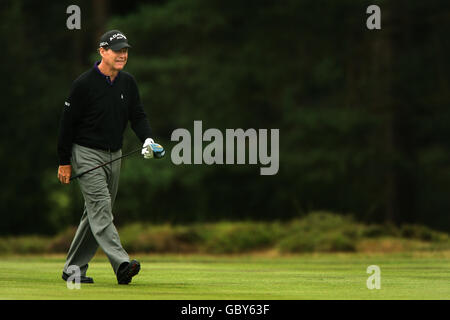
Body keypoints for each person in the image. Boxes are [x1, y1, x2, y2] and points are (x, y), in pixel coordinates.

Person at [57, 30, 155, 285]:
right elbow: (66, 125)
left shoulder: (128, 82)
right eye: (117, 50)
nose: (122, 54)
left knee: (96, 213)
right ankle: (122, 263)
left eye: (125, 51)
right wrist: (64, 161)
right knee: (101, 208)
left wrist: (148, 139)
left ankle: (72, 270)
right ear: (102, 51)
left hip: (115, 154)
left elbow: (138, 115)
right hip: (86, 153)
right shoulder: (84, 84)